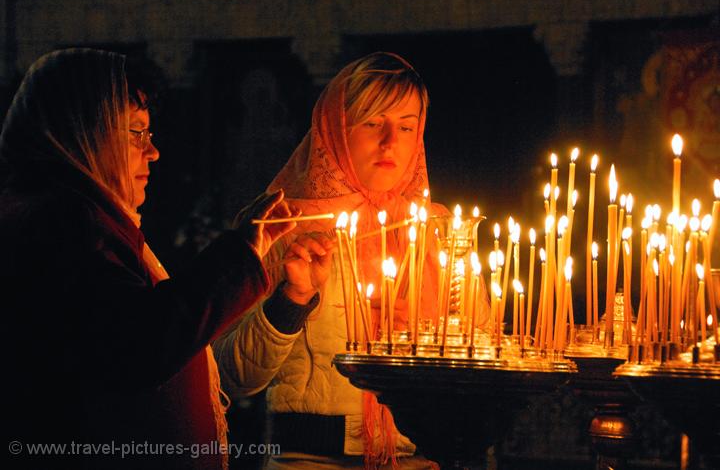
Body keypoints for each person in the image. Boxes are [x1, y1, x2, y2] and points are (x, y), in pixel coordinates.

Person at [0, 48, 296, 470]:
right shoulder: (65, 223)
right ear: (86, 132)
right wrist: (240, 254)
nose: (153, 152)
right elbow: (138, 344)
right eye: (136, 133)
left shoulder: (73, 211)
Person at [214, 52, 490, 469]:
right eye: (372, 123)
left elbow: (487, 355)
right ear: (336, 130)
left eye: (406, 126)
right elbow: (229, 378)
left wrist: (434, 335)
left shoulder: (440, 232)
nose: (390, 141)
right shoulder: (283, 228)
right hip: (308, 459)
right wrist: (292, 300)